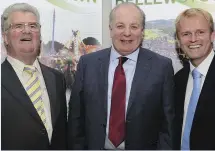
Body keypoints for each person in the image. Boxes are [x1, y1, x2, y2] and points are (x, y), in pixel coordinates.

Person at [68, 2, 175, 150]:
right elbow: (75, 118)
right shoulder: (88, 64)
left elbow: (167, 125)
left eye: (134, 26)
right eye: (120, 26)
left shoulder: (162, 67)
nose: (127, 33)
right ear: (110, 29)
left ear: (142, 31)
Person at [1, 3, 67, 150]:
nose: (27, 31)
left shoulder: (57, 79)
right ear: (5, 37)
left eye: (33, 26)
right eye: (18, 26)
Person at [174, 8, 215, 150]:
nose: (193, 39)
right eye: (186, 34)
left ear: (212, 35)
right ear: (179, 40)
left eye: (200, 32)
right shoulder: (177, 80)